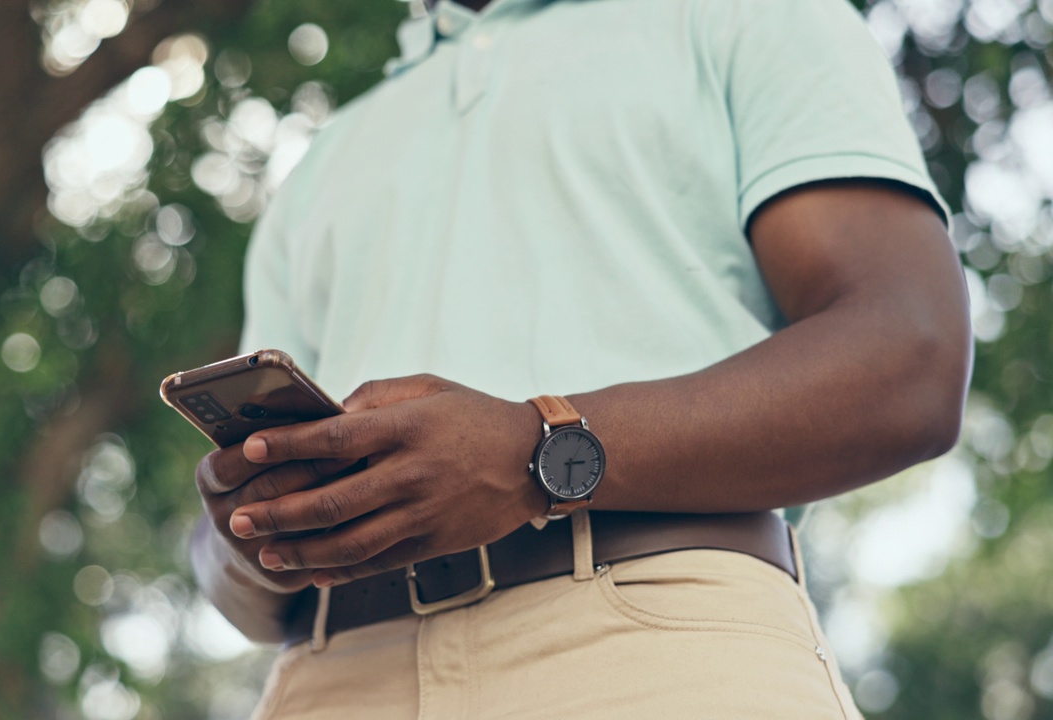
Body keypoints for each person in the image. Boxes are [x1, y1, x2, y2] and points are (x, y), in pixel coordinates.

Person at [190, 0, 972, 716]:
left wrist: (538, 452)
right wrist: (252, 541)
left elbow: (911, 352)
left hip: (658, 648)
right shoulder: (320, 162)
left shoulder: (747, 15)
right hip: (333, 677)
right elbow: (229, 546)